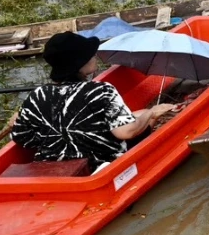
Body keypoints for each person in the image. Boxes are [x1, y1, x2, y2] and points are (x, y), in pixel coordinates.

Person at [11, 32, 175, 167]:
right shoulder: (101, 91)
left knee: (137, 115)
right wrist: (151, 113)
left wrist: (19, 121)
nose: (94, 56)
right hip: (99, 164)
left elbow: (22, 138)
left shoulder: (37, 95)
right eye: (90, 54)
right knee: (143, 121)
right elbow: (126, 132)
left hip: (51, 166)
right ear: (80, 64)